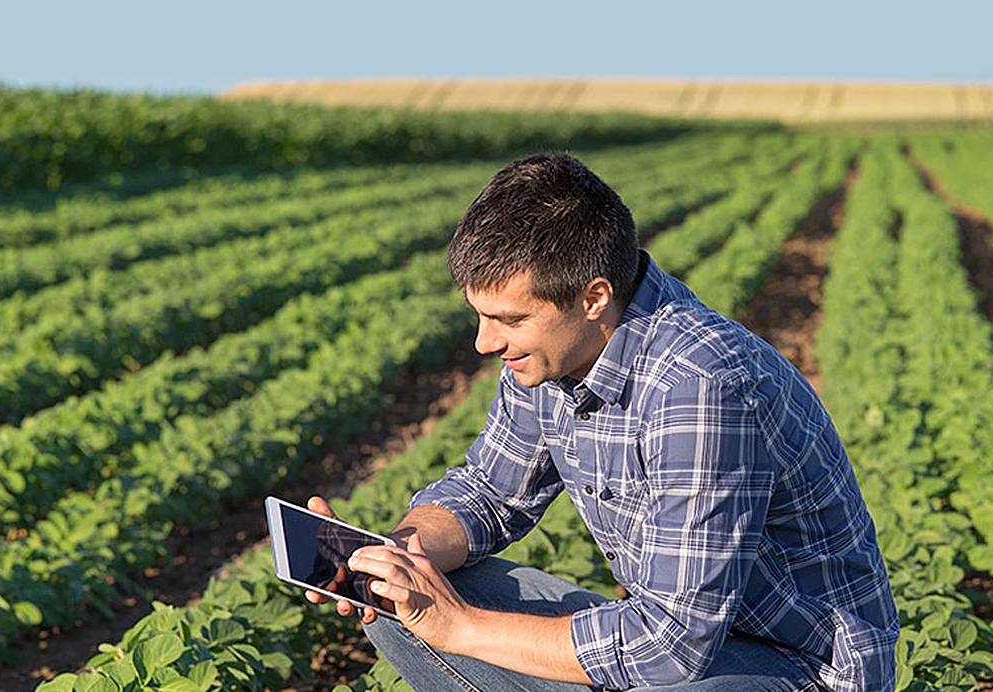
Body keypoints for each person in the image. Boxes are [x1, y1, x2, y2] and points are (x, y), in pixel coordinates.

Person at [305, 152, 898, 691]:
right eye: (480, 316)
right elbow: (490, 492)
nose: (485, 342)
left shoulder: (700, 384)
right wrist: (393, 555)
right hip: (677, 642)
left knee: (440, 619)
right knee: (395, 606)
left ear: (593, 297)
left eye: (509, 319)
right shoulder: (550, 356)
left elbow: (672, 647)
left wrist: (459, 627)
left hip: (797, 664)